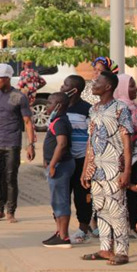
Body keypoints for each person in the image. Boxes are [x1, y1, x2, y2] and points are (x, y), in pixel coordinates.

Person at [80, 71, 132, 265]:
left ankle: (121, 251)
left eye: (98, 82)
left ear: (108, 86)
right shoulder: (93, 109)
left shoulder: (120, 108)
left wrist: (127, 170)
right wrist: (86, 168)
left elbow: (127, 140)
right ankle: (104, 248)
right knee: (100, 209)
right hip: (97, 169)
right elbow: (90, 140)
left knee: (116, 208)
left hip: (114, 167)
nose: (93, 84)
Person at [0, 63, 35, 223]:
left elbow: (27, 122)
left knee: (10, 177)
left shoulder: (18, 96)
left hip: (12, 143)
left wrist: (30, 145)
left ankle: (11, 211)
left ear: (7, 78)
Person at [60, 75, 93, 243]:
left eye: (65, 85)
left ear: (74, 90)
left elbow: (91, 137)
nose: (61, 87)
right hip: (63, 160)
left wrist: (89, 162)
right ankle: (61, 230)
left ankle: (83, 229)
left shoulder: (87, 109)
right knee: (62, 196)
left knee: (82, 196)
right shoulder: (60, 107)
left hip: (81, 160)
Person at [41, 92, 74, 248]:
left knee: (60, 201)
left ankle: (64, 236)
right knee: (57, 200)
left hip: (61, 166)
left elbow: (61, 143)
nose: (47, 106)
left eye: (50, 103)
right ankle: (59, 232)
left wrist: (53, 164)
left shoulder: (60, 122)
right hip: (58, 165)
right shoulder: (57, 120)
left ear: (58, 105)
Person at [114, 74, 137, 238]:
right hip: (124, 161)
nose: (135, 88)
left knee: (134, 195)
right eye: (131, 86)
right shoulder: (120, 108)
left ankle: (134, 224)